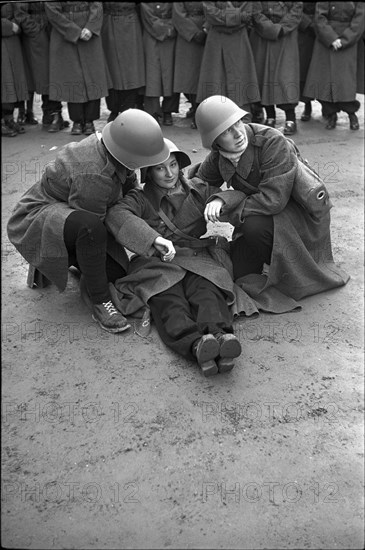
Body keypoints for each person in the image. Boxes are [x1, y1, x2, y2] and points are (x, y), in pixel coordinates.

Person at [7, 109, 170, 333]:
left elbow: (129, 193)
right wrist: (147, 239)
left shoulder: (113, 151)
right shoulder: (95, 174)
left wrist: (152, 233)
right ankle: (100, 302)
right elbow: (98, 227)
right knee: (91, 231)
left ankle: (77, 265)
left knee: (116, 273)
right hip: (38, 217)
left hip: (70, 213)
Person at [192, 95, 349, 308]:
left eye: (237, 122)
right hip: (260, 215)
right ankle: (269, 261)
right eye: (226, 131)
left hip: (298, 216)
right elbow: (200, 182)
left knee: (252, 226)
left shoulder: (272, 141)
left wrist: (225, 201)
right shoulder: (219, 156)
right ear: (215, 142)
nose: (237, 133)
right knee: (241, 274)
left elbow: (274, 200)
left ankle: (287, 267)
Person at [105, 139, 246, 376]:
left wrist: (221, 200)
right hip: (157, 262)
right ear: (149, 172)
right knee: (169, 302)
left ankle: (222, 336)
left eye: (172, 165)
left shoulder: (199, 187)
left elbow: (236, 195)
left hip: (196, 257)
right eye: (160, 168)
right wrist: (153, 240)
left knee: (207, 292)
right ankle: (196, 345)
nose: (169, 173)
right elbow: (116, 214)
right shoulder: (139, 197)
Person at [45, 1, 109, 135]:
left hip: (89, 32)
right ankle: (77, 121)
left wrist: (90, 27)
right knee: (72, 76)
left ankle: (90, 121)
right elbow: (52, 11)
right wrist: (73, 31)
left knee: (92, 77)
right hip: (65, 34)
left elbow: (97, 6)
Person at [303, 2, 365, 130]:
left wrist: (346, 40)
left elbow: (360, 17)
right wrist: (331, 38)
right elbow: (320, 16)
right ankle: (331, 114)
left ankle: (351, 114)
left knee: (346, 81)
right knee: (326, 80)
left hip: (350, 39)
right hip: (326, 39)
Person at [196, 1, 260, 117]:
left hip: (238, 38)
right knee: (215, 77)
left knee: (241, 76)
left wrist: (224, 17)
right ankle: (215, 114)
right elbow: (211, 14)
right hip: (216, 39)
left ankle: (242, 113)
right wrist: (236, 16)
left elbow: (247, 15)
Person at [13, 1, 69, 132]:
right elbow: (20, 11)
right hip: (36, 33)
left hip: (55, 28)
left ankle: (53, 114)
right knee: (43, 74)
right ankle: (51, 114)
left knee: (56, 72)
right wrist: (34, 30)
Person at [250, 1, 303, 135]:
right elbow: (255, 11)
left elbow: (296, 9)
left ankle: (290, 118)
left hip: (286, 35)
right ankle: (270, 115)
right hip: (262, 35)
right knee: (263, 74)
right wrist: (270, 29)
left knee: (286, 76)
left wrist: (281, 29)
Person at [101, 2, 145, 123]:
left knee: (132, 68)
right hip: (108, 22)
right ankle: (114, 109)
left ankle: (130, 107)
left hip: (131, 22)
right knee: (111, 69)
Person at [140, 2, 180, 126]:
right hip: (151, 35)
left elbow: (179, 13)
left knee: (171, 74)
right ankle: (153, 111)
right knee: (152, 75)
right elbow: (147, 14)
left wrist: (172, 27)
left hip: (172, 36)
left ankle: (168, 110)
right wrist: (165, 29)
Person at [172, 2, 206, 129]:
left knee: (206, 74)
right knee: (188, 75)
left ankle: (203, 111)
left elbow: (214, 8)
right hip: (187, 36)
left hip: (208, 33)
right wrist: (193, 33)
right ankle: (195, 107)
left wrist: (206, 29)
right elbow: (178, 14)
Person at [1, 1, 28, 137]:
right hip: (7, 34)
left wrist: (16, 23)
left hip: (12, 41)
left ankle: (8, 118)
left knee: (10, 82)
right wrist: (8, 26)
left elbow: (20, 10)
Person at [298, 2, 317, 122]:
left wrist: (320, 24)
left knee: (323, 73)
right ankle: (307, 104)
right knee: (304, 70)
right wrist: (308, 24)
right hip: (304, 33)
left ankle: (328, 109)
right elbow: (294, 8)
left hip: (324, 27)